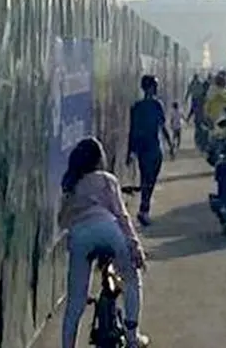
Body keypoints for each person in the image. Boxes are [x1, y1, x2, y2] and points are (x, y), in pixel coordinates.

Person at [58, 137, 148, 348]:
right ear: (99, 159)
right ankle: (133, 338)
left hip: (80, 237)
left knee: (75, 302)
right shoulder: (107, 179)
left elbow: (62, 221)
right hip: (109, 229)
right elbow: (122, 215)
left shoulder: (72, 183)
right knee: (131, 280)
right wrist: (135, 246)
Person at [127, 74, 174, 227]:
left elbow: (132, 131)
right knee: (150, 180)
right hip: (153, 148)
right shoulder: (156, 105)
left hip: (142, 149)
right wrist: (170, 144)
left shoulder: (137, 107)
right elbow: (162, 127)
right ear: (152, 87)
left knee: (145, 178)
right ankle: (144, 209)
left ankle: (144, 208)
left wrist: (131, 151)